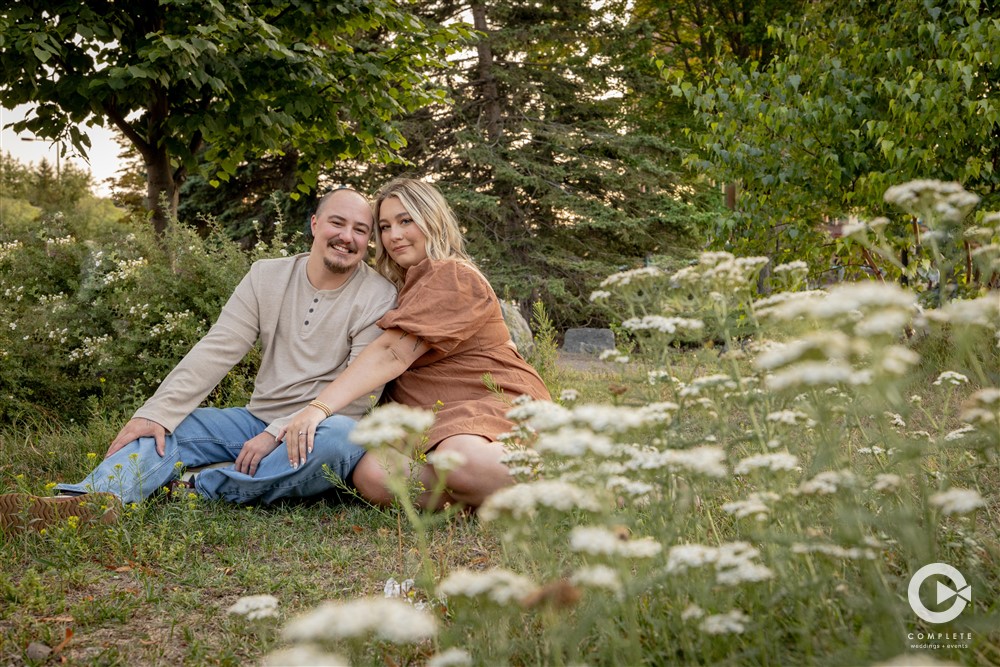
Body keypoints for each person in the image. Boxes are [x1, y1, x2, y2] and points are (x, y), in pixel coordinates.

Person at [0, 187, 397, 532]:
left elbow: (359, 391)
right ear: (314, 224)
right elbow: (217, 348)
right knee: (172, 426)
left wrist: (276, 433)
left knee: (343, 438)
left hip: (322, 430)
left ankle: (196, 488)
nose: (347, 237)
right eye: (337, 223)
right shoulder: (266, 276)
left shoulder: (378, 295)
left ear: (369, 241)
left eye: (360, 230)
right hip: (253, 418)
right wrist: (156, 412)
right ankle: (89, 502)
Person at [282, 178, 551, 509]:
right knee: (371, 475)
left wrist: (318, 408)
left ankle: (549, 474)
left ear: (431, 219)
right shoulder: (402, 285)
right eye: (384, 226)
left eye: (405, 220)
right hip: (432, 420)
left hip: (486, 403)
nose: (394, 235)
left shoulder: (452, 274)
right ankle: (479, 496)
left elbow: (392, 353)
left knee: (461, 458)